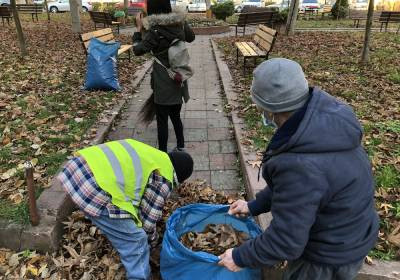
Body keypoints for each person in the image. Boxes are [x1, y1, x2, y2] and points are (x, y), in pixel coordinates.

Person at [218, 58, 379, 280]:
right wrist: (254, 206)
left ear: (269, 110)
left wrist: (240, 257)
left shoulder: (300, 164)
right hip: (353, 232)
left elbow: (285, 241)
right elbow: (293, 191)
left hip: (328, 257)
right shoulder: (321, 121)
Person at [57, 138, 193, 280]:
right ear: (178, 177)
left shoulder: (154, 156)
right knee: (136, 239)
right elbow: (147, 223)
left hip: (76, 170)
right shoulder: (164, 178)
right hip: (93, 191)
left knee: (126, 228)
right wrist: (154, 243)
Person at [132, 0, 195, 152]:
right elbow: (191, 37)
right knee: (176, 116)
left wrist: (138, 30)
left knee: (162, 120)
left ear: (153, 10)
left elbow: (138, 50)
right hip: (178, 77)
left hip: (162, 79)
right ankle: (181, 147)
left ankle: (163, 153)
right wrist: (182, 21)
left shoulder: (155, 31)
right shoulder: (179, 23)